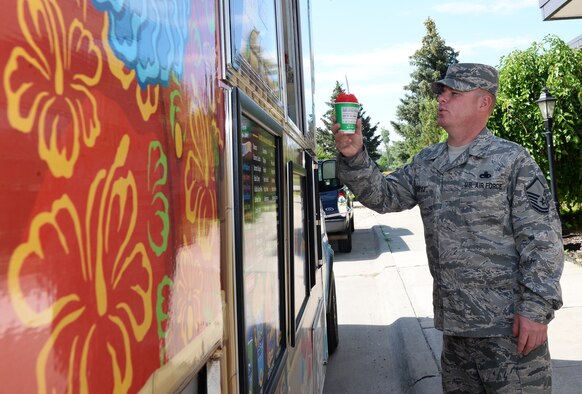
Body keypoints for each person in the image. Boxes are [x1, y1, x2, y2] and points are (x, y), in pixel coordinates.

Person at [332, 63, 564, 393]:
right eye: (442, 92)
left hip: (511, 334)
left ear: (484, 103)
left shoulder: (511, 161)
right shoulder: (428, 162)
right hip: (456, 335)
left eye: (454, 93)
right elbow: (384, 196)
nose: (442, 99)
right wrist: (354, 156)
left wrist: (536, 312)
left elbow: (542, 241)